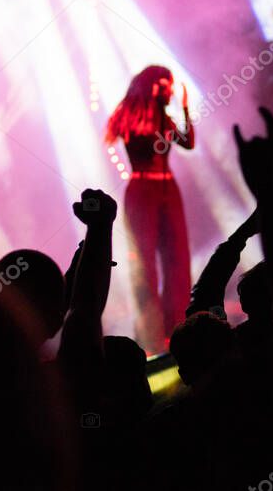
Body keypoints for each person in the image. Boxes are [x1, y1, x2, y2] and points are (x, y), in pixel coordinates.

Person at [105, 66, 194, 353]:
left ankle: (176, 327)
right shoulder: (134, 115)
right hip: (143, 190)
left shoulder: (163, 116)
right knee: (145, 265)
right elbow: (143, 142)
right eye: (165, 86)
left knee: (177, 259)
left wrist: (184, 109)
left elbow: (188, 143)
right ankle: (152, 335)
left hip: (168, 188)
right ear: (153, 87)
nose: (169, 91)